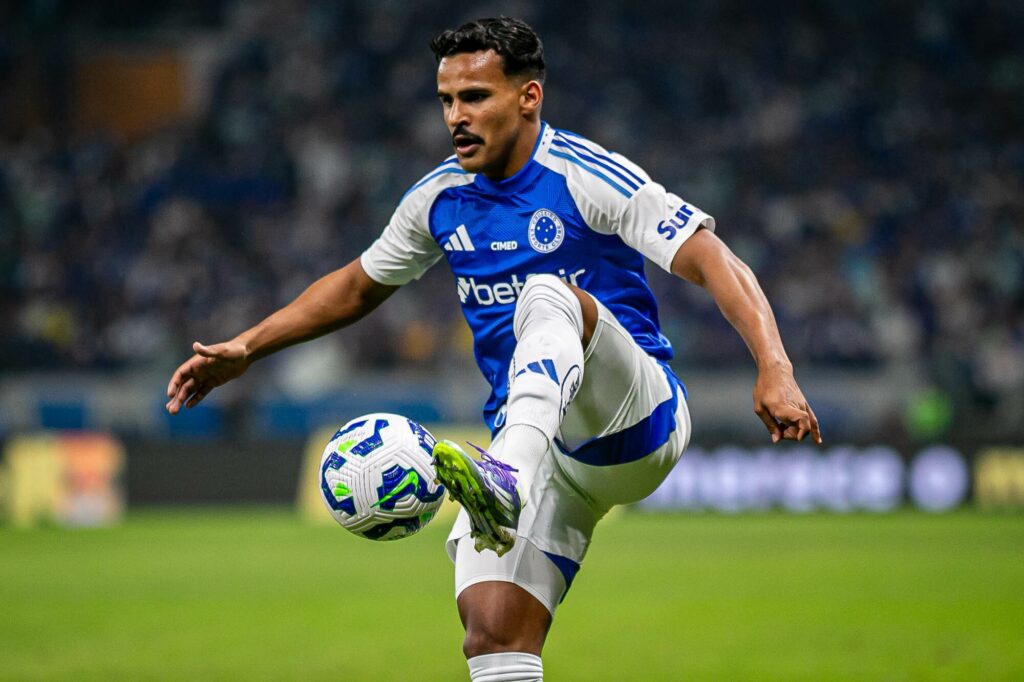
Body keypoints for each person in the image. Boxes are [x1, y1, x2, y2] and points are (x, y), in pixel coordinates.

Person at [166, 17, 821, 682]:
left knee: (548, 294)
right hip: (541, 451)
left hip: (633, 421)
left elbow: (712, 257)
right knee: (492, 634)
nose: (456, 116)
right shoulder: (438, 198)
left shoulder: (584, 175)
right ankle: (508, 479)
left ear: (528, 97)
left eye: (475, 97)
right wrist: (247, 347)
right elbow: (357, 286)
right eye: (446, 100)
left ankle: (504, 475)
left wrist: (775, 367)